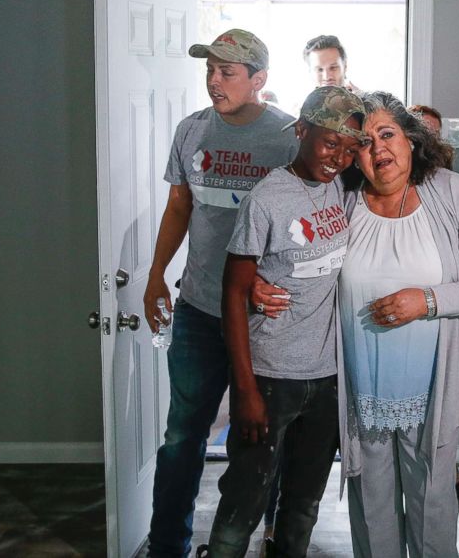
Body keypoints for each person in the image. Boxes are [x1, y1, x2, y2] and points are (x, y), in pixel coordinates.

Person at [143, 28, 297, 558]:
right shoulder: (191, 132)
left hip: (262, 317)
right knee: (182, 437)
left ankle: (253, 541)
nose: (214, 81)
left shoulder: (289, 138)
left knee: (256, 441)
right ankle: (167, 546)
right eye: (209, 70)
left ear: (259, 80)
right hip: (200, 309)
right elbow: (180, 208)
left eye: (227, 72)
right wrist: (155, 273)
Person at [340, 92, 459, 556]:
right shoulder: (342, 200)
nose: (378, 150)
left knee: (432, 504)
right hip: (361, 391)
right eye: (363, 141)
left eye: (387, 134)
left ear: (412, 139)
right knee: (370, 511)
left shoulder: (451, 192)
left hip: (432, 388)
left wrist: (429, 301)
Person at [204, 86, 367, 558]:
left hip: (326, 379)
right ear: (301, 131)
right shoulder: (268, 198)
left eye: (348, 146)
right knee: (244, 503)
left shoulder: (339, 184)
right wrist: (246, 389)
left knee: (303, 506)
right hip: (272, 376)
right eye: (328, 142)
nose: (338, 156)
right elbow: (233, 292)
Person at [408, 102, 459, 512]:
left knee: (443, 408)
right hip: (397, 325)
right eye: (418, 130)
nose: (425, 139)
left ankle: (446, 480)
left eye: (433, 133)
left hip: (447, 312)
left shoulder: (456, 190)